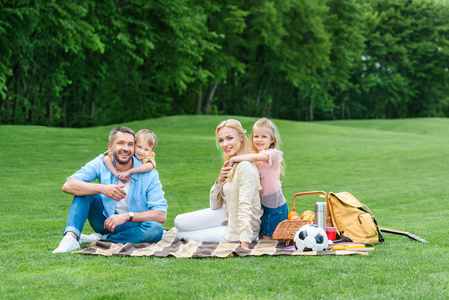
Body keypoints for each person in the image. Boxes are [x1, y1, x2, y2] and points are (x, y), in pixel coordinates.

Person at [53, 126, 168, 253]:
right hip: (104, 221)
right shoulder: (101, 162)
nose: (125, 148)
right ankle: (71, 238)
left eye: (130, 144)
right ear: (110, 146)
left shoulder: (149, 173)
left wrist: (127, 216)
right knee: (84, 189)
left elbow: (161, 215)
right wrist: (102, 188)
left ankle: (105, 239)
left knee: (155, 229)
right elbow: (68, 185)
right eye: (120, 143)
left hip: (131, 226)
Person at [174, 119, 263, 249]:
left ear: (241, 138)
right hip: (229, 216)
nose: (225, 144)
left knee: (180, 234)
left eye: (229, 138)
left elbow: (245, 205)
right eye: (221, 140)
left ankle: (224, 231)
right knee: (179, 222)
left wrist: (244, 241)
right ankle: (215, 227)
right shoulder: (232, 164)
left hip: (240, 230)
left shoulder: (245, 167)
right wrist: (220, 180)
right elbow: (215, 206)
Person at [228, 118, 287, 239]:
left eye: (264, 136)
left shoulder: (273, 153)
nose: (259, 140)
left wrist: (234, 159)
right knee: (259, 236)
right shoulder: (253, 154)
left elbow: (258, 157)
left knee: (268, 239)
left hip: (275, 207)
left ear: (272, 139)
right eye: (256, 136)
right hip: (260, 205)